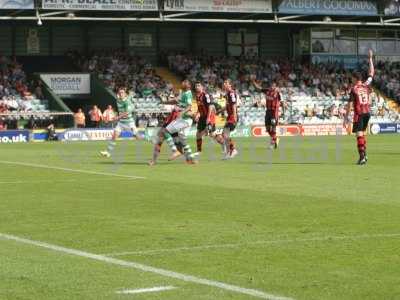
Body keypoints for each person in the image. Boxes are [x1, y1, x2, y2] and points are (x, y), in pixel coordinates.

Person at [152, 80, 196, 164]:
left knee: (162, 133)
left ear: (189, 85)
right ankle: (189, 158)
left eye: (185, 82)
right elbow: (175, 101)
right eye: (182, 82)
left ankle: (155, 160)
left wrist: (182, 112)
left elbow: (189, 106)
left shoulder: (188, 94)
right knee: (179, 140)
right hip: (178, 119)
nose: (182, 83)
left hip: (183, 120)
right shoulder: (183, 93)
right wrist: (164, 102)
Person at [345, 49, 374, 165]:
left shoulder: (354, 89)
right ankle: (365, 155)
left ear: (355, 79)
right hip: (367, 113)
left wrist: (346, 116)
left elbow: (350, 104)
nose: (350, 79)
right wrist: (370, 59)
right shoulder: (366, 85)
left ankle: (362, 157)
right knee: (362, 133)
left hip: (359, 114)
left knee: (359, 134)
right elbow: (371, 73)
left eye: (351, 78)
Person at [100, 87, 137, 158]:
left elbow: (126, 113)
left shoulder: (127, 101)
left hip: (129, 122)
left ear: (125, 94)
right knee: (114, 136)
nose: (121, 94)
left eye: (122, 92)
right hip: (121, 123)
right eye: (120, 93)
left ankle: (149, 138)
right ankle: (108, 152)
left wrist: (117, 117)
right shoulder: (118, 100)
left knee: (138, 137)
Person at [194, 82, 224, 154]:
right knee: (198, 133)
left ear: (202, 87)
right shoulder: (197, 96)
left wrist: (208, 118)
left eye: (198, 85)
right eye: (196, 86)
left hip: (209, 116)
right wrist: (197, 114)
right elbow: (199, 107)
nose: (197, 87)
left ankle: (224, 144)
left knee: (212, 134)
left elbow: (210, 107)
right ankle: (199, 151)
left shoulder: (205, 95)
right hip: (202, 117)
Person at [252, 79, 281, 149]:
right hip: (268, 111)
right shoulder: (267, 90)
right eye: (271, 85)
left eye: (273, 85)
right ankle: (275, 138)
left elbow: (274, 99)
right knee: (268, 129)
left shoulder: (277, 92)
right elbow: (258, 89)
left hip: (274, 111)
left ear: (275, 86)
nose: (272, 87)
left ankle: (272, 143)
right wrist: (253, 82)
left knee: (273, 126)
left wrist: (261, 102)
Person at [221, 79, 238, 159]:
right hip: (229, 116)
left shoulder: (231, 93)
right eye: (224, 82)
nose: (224, 84)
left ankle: (232, 150)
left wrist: (234, 116)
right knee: (224, 135)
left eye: (226, 83)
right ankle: (230, 151)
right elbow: (227, 106)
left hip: (232, 116)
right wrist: (219, 111)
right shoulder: (227, 94)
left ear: (230, 85)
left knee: (225, 134)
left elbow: (234, 105)